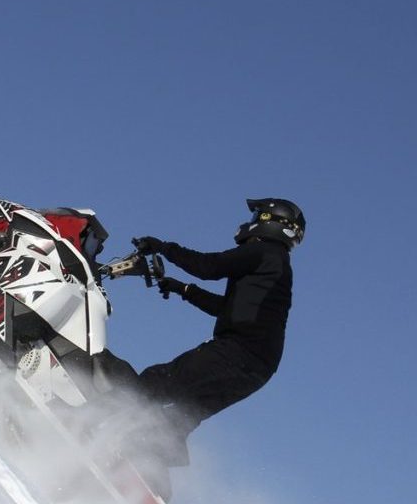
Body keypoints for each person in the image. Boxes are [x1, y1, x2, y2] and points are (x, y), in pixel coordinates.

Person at [131, 198, 305, 466]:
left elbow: (209, 267)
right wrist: (182, 290)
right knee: (182, 415)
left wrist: (164, 247)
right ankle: (146, 468)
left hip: (237, 352)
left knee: (158, 381)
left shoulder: (265, 252)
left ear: (271, 223)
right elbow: (230, 310)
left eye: (258, 215)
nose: (251, 222)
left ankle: (88, 417)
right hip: (258, 370)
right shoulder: (277, 265)